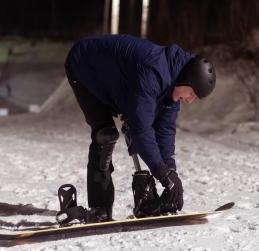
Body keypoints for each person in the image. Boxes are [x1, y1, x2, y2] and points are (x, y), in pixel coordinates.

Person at [65, 34, 215, 222]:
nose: (190, 100)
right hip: (85, 67)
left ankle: (144, 200)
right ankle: (99, 208)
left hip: (118, 82)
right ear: (187, 80)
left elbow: (164, 131)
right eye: (192, 94)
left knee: (136, 123)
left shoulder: (173, 87)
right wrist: (162, 173)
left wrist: (170, 173)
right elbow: (141, 130)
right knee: (105, 135)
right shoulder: (153, 72)